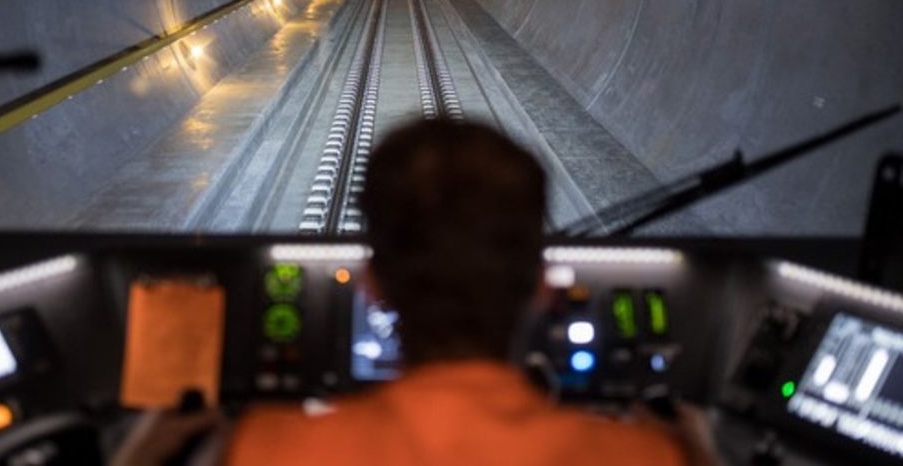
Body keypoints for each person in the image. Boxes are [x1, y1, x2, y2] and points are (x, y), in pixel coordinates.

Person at [113, 119, 717, 466]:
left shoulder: (267, 447)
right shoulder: (643, 458)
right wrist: (703, 456)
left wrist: (135, 460)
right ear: (540, 287)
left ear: (372, 287)